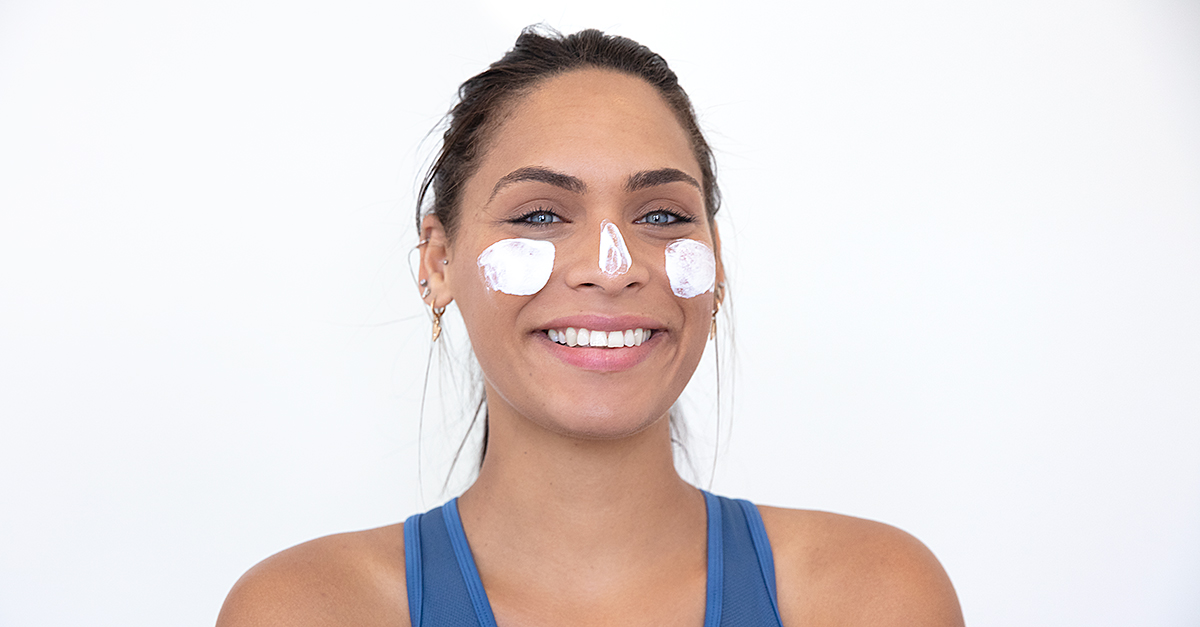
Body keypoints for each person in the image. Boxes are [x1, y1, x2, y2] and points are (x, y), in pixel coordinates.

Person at [216, 27, 964, 627]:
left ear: (716, 265)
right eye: (542, 214)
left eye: (662, 216)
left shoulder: (872, 597)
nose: (613, 268)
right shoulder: (306, 610)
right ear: (438, 263)